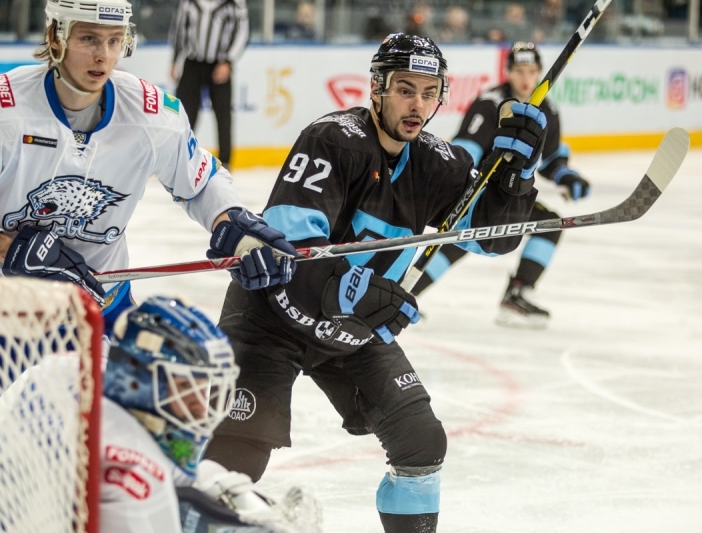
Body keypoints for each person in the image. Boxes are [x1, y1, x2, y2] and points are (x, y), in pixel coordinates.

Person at [202, 33, 547, 532]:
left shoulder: (438, 162)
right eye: (405, 90)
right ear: (377, 88)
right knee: (236, 457)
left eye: (429, 93)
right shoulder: (332, 140)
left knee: (421, 442)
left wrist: (517, 175)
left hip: (351, 332)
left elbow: (495, 238)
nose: (418, 105)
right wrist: (357, 290)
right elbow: (292, 256)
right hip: (271, 320)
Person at [0, 0, 296, 337]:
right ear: (55, 37)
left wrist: (229, 222)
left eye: (114, 40)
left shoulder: (152, 115)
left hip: (99, 311)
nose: (103, 56)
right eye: (89, 38)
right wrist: (3, 248)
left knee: (139, 403)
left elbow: (201, 182)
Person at [0, 297, 322, 532]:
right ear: (143, 380)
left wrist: (230, 495)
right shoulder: (129, 469)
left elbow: (176, 473)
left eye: (206, 390)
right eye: (187, 389)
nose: (202, 407)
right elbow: (148, 482)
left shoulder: (71, 375)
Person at [411, 42, 591, 329]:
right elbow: (465, 149)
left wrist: (566, 176)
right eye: (519, 71)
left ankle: (517, 295)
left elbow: (550, 159)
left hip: (509, 192)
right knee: (459, 239)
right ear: (508, 72)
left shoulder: (548, 109)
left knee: (547, 225)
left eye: (531, 71)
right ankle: (407, 293)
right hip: (476, 189)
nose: (525, 78)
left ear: (539, 73)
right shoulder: (490, 103)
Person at [171, 0, 249, 168]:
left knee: (223, 115)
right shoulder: (188, 2)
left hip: (220, 64)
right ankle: (180, 158)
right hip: (192, 63)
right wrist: (174, 59)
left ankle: (225, 162)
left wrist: (228, 61)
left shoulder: (234, 3)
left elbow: (242, 33)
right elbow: (180, 28)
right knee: (185, 114)